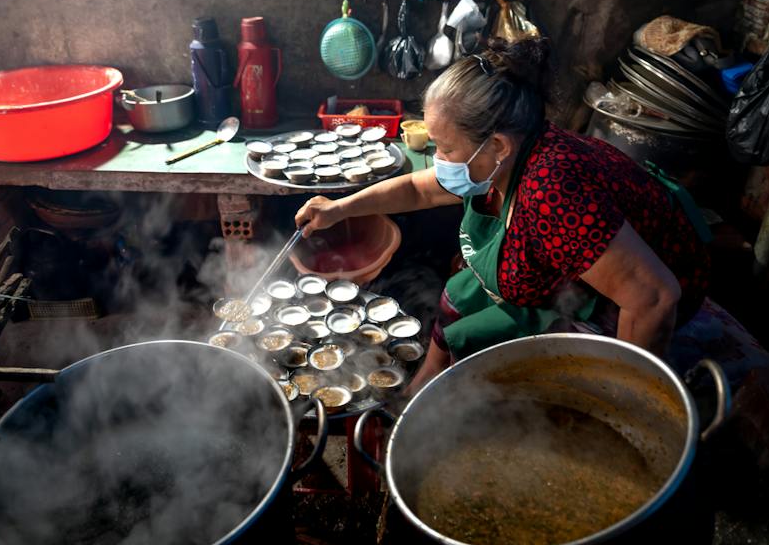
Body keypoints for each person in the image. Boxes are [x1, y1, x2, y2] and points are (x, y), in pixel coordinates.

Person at [295, 38, 712, 394]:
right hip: (598, 257)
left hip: (639, 294)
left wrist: (623, 396)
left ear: (497, 145)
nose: (437, 160)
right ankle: (423, 384)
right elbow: (419, 188)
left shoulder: (552, 190)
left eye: (445, 148)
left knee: (534, 388)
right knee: (458, 295)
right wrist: (337, 209)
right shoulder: (502, 157)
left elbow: (655, 298)